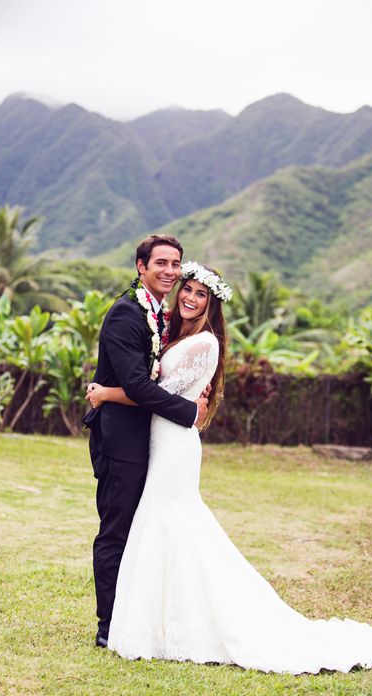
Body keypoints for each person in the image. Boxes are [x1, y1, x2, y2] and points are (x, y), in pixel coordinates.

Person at [87, 262, 372, 674]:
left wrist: (105, 392)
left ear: (213, 305)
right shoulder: (173, 334)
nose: (191, 298)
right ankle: (151, 618)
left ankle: (181, 622)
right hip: (158, 439)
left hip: (174, 443)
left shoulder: (204, 344)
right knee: (160, 526)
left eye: (201, 294)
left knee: (174, 524)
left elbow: (151, 394)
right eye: (188, 290)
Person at [84, 235, 209, 649]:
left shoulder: (157, 313)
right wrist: (188, 412)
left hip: (149, 440)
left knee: (145, 529)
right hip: (121, 440)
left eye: (176, 264)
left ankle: (139, 615)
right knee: (117, 530)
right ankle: (109, 623)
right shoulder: (125, 315)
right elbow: (137, 384)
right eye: (161, 263)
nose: (170, 271)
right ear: (141, 266)